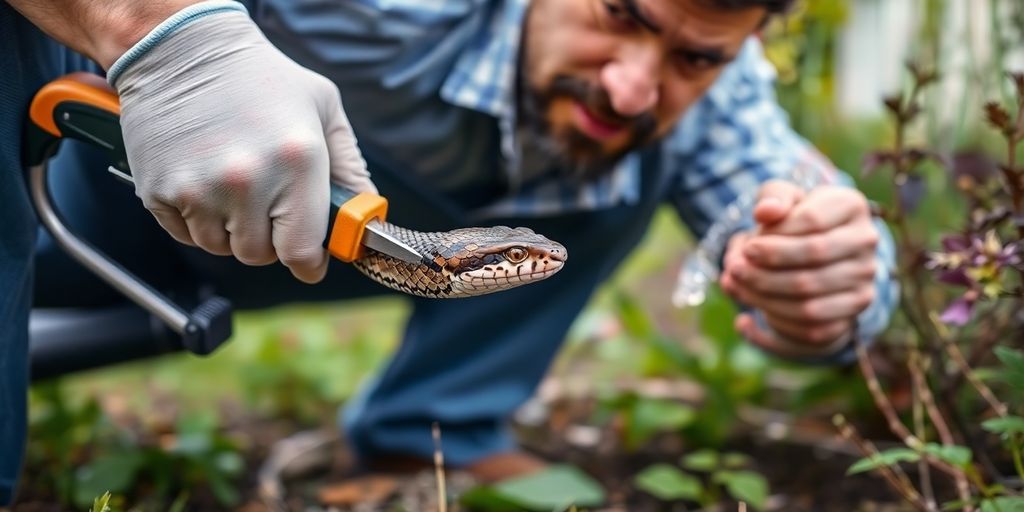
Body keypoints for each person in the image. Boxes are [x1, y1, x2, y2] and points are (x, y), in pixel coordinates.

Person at [6, 0, 900, 502]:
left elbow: (824, 238)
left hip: (316, 245)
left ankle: (429, 437)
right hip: (79, 200)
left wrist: (833, 278)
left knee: (640, 139)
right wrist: (170, 43)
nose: (634, 83)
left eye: (697, 57)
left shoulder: (712, 90)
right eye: (617, 11)